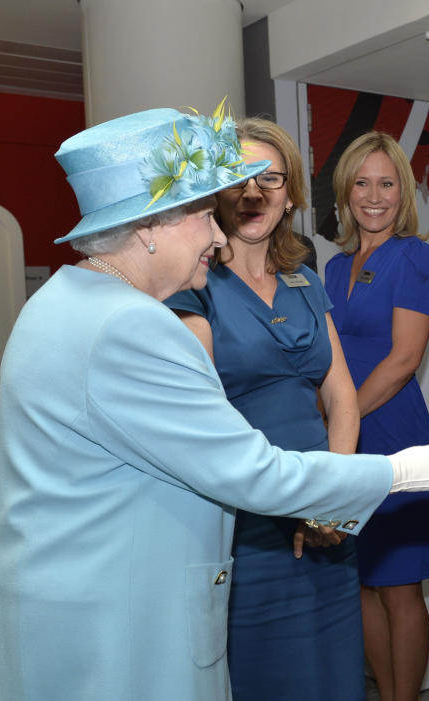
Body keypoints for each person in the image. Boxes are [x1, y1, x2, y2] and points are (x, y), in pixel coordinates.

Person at [0, 104, 429, 701]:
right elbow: (247, 469)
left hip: (75, 608)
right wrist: (407, 469)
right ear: (152, 225)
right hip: (119, 623)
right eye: (205, 214)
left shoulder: (58, 299)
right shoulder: (135, 327)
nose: (217, 231)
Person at [165, 117, 366, 699]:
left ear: (291, 196)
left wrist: (334, 491)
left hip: (326, 509)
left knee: (334, 668)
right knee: (265, 670)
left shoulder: (305, 280)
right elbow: (199, 414)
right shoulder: (193, 284)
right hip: (245, 515)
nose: (254, 193)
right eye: (239, 178)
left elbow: (341, 393)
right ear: (216, 193)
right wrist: (288, 501)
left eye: (270, 179)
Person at [324, 131, 429, 701]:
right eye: (361, 183)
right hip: (346, 438)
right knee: (362, 583)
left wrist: (339, 422)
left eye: (386, 183)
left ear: (404, 191)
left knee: (400, 588)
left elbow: (402, 360)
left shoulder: (416, 257)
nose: (374, 196)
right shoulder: (333, 268)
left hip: (394, 433)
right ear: (345, 193)